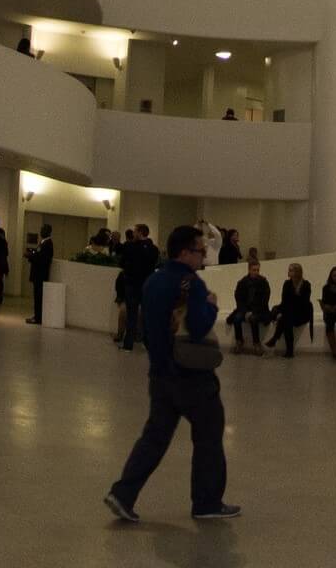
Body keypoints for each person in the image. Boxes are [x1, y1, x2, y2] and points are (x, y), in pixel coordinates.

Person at [105, 223, 238, 523]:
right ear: (184, 252)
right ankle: (207, 502)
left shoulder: (153, 282)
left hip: (160, 372)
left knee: (154, 437)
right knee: (208, 434)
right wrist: (212, 306)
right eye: (199, 250)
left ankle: (122, 494)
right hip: (192, 375)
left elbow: (147, 328)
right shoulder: (192, 284)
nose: (203, 255)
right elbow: (201, 326)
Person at [118, 222, 157, 350]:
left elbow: (123, 262)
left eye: (135, 231)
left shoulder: (130, 247)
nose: (133, 233)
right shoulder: (153, 249)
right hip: (147, 285)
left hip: (132, 284)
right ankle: (148, 344)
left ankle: (128, 345)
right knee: (146, 316)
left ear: (140, 232)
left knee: (132, 315)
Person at [229, 259, 272, 354]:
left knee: (253, 318)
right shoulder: (242, 282)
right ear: (249, 270)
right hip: (244, 309)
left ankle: (256, 343)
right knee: (236, 318)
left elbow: (264, 300)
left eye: (257, 270)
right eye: (254, 270)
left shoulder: (263, 282)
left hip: (260, 310)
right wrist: (245, 311)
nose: (256, 272)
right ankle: (239, 341)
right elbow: (238, 299)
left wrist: (253, 311)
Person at [269, 264, 312, 357]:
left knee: (285, 318)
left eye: (291, 270)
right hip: (289, 312)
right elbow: (285, 301)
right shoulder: (287, 284)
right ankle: (289, 351)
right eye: (289, 270)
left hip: (302, 313)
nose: (289, 272)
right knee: (286, 319)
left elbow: (303, 303)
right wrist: (283, 312)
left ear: (297, 272)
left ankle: (276, 338)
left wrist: (284, 312)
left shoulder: (306, 285)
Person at [25, 222, 55, 324]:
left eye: (44, 230)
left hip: (40, 275)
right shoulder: (43, 243)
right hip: (38, 274)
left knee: (39, 297)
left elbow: (42, 259)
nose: (41, 231)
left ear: (48, 232)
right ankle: (37, 316)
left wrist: (30, 256)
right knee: (37, 297)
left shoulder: (47, 244)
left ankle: (38, 318)